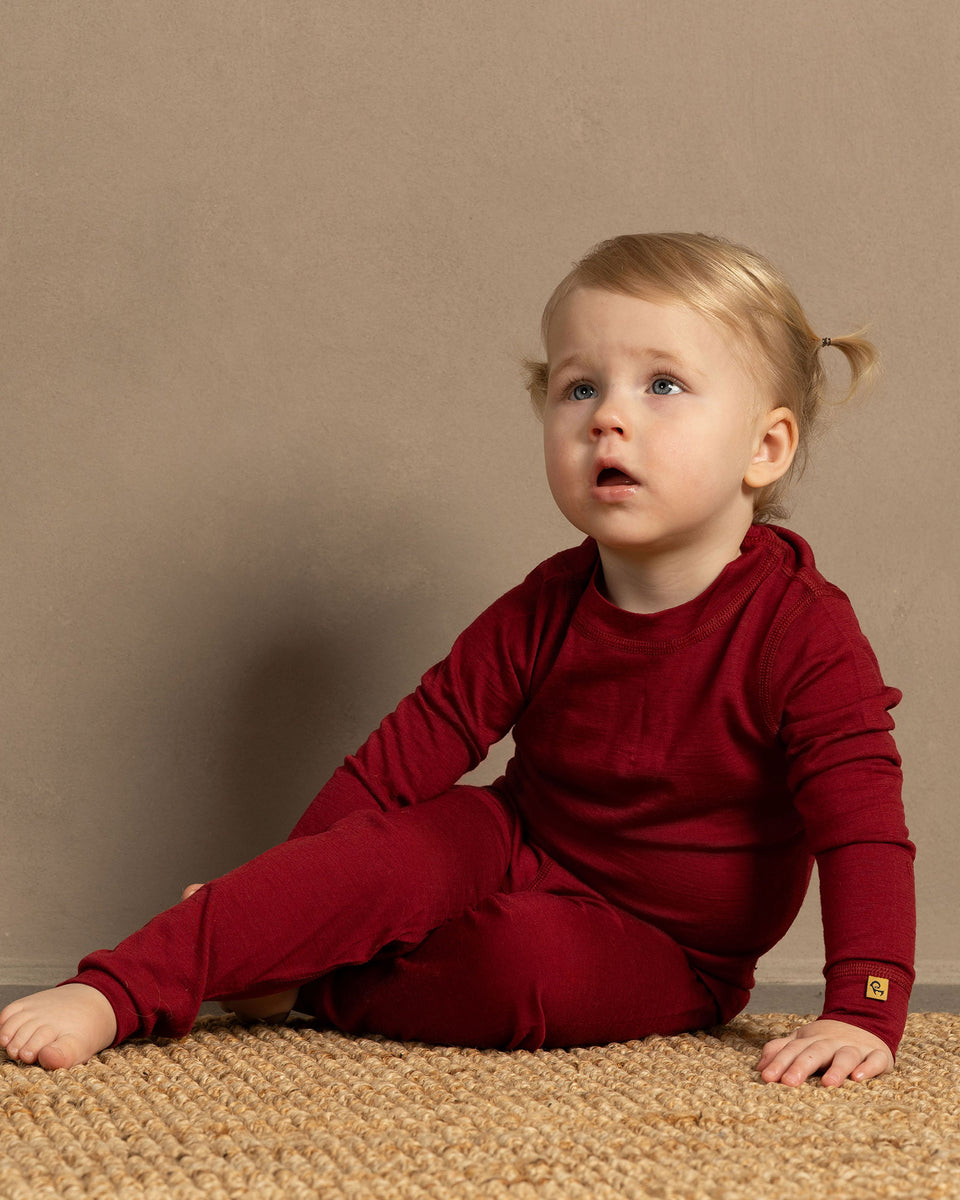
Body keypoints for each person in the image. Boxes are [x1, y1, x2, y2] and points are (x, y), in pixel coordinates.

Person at [0, 233, 915, 1087]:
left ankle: (309, 986)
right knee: (379, 855)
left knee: (521, 969)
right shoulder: (548, 602)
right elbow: (402, 760)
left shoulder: (802, 632)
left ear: (765, 447)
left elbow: (862, 830)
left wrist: (863, 1008)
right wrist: (282, 898)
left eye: (663, 385)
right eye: (579, 388)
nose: (609, 418)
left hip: (671, 944)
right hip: (518, 838)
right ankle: (121, 987)